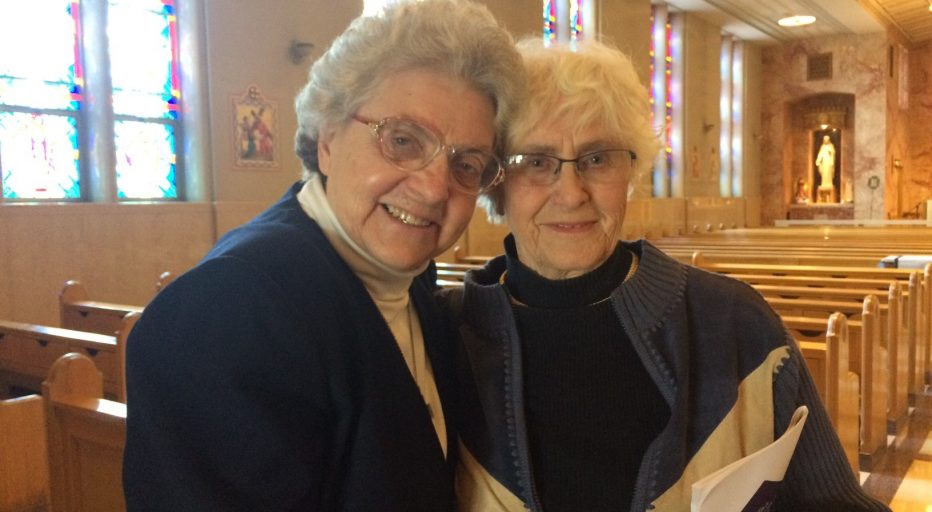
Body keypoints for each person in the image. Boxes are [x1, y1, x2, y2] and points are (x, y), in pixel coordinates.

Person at [445, 39, 890, 512]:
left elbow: (835, 504)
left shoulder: (736, 325)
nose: (571, 193)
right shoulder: (444, 335)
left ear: (631, 169)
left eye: (597, 158)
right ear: (495, 182)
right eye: (535, 162)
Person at [122, 1, 524, 510]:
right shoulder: (227, 310)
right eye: (402, 140)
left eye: (466, 164)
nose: (433, 187)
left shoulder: (412, 279)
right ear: (328, 137)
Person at [815, 134, 836, 202]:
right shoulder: (822, 147)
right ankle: (824, 183)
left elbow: (833, 153)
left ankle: (829, 183)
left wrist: (831, 152)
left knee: (828, 173)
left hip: (829, 162)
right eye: (825, 139)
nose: (826, 140)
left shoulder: (831, 146)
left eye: (827, 139)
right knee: (824, 173)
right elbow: (820, 154)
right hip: (824, 162)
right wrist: (818, 161)